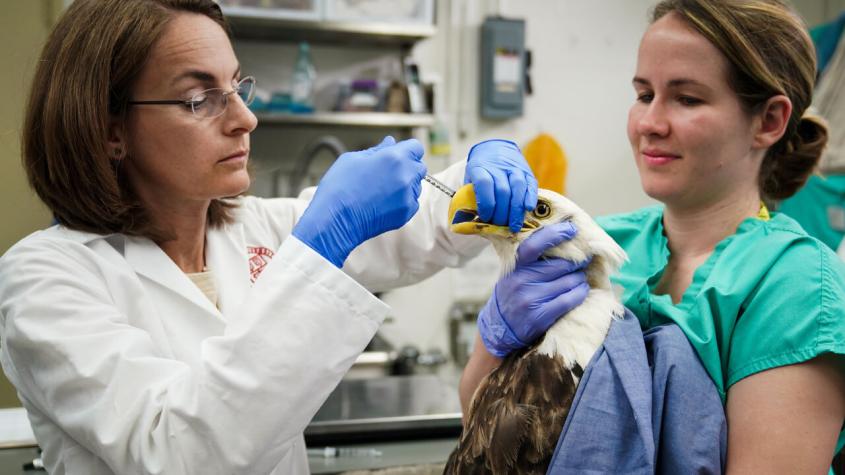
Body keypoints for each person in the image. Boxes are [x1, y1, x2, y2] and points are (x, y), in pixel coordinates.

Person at [0, 1, 589, 474]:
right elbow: (183, 454)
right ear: (109, 132)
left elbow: (424, 224)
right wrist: (321, 246)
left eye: (237, 86)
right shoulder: (45, 280)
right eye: (199, 98)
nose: (244, 118)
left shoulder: (255, 227)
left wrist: (482, 170)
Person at [459, 0, 845, 473]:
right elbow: (484, 434)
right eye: (644, 95)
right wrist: (496, 336)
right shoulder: (599, 244)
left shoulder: (795, 286)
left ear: (768, 121)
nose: (649, 124)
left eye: (687, 99)